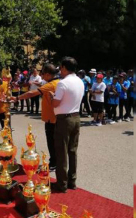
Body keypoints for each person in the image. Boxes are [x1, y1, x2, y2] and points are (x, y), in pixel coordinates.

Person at [11, 63, 60, 170]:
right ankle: (56, 162)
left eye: (42, 73)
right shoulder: (58, 82)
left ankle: (54, 163)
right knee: (55, 142)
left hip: (51, 119)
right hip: (55, 117)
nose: (41, 76)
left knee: (52, 142)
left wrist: (17, 98)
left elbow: (31, 93)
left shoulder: (51, 85)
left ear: (47, 74)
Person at [50, 57, 84, 193]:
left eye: (61, 68)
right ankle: (72, 181)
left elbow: (55, 103)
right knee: (72, 151)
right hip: (76, 117)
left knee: (61, 151)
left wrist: (51, 97)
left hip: (64, 120)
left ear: (64, 67)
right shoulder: (80, 81)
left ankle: (61, 184)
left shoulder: (62, 83)